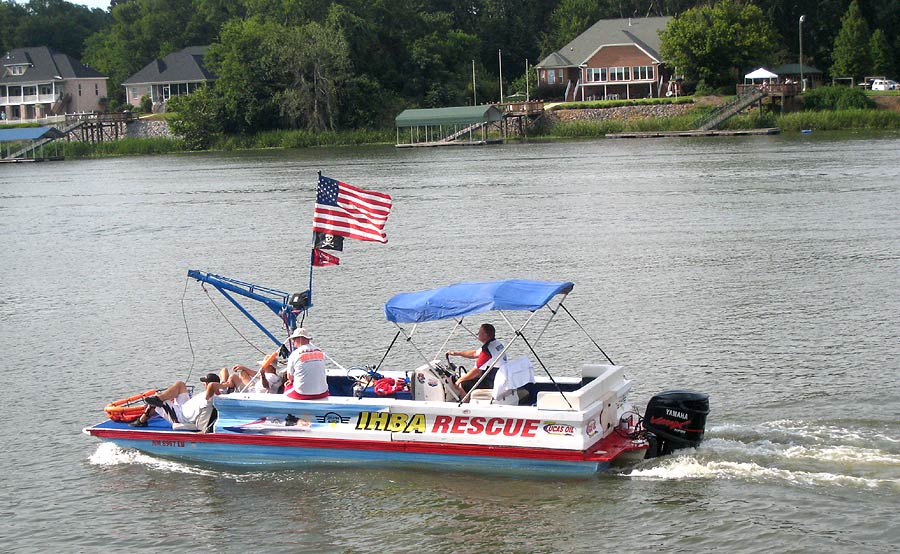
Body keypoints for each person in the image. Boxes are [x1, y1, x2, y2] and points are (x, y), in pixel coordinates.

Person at [129, 373, 227, 430]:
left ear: (208, 384)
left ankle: (141, 421)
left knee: (156, 400)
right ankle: (160, 398)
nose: (203, 384)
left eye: (205, 383)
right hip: (184, 406)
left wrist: (222, 385)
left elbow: (211, 386)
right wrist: (224, 384)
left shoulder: (210, 396)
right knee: (180, 385)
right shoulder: (219, 392)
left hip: (180, 416)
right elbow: (224, 371)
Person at [446, 323, 507, 393]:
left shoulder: (487, 351)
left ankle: (465, 403)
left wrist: (459, 380)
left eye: (479, 332)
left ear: (485, 335)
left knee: (462, 384)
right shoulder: (496, 344)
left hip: (491, 382)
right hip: (499, 377)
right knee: (468, 378)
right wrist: (457, 353)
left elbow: (476, 371)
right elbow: (475, 353)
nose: (477, 334)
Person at [284, 327, 329, 400]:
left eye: (294, 339)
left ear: (299, 339)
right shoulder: (320, 351)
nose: (293, 342)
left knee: (287, 387)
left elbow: (290, 377)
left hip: (302, 394)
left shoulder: (295, 354)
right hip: (322, 393)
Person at [219, 356, 284, 394]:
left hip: (252, 393)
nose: (262, 366)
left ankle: (225, 391)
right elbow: (255, 374)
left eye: (264, 365)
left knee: (232, 377)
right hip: (253, 388)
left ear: (270, 367)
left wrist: (263, 375)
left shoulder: (270, 377)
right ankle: (226, 385)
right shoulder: (273, 375)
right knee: (243, 372)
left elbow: (266, 386)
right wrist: (243, 367)